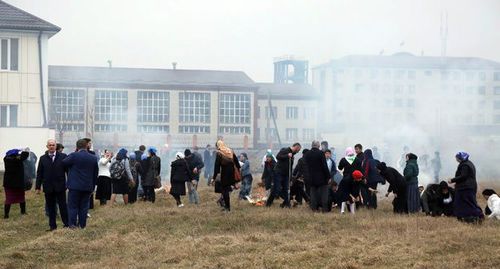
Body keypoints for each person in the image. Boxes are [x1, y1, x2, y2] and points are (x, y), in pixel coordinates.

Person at [63, 139, 98, 229]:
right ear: (87, 146)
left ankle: (72, 225)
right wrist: (93, 188)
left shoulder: (74, 156)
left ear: (77, 147)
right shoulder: (93, 158)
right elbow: (95, 174)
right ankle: (82, 225)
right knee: (84, 207)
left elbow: (64, 163)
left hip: (74, 186)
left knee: (73, 206)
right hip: (87, 187)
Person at [35, 139, 69, 230]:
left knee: (63, 206)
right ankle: (52, 226)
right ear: (47, 146)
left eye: (53, 145)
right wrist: (37, 187)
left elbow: (68, 171)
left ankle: (66, 224)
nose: (51, 146)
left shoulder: (63, 156)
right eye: (49, 145)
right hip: (48, 187)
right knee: (51, 207)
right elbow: (39, 173)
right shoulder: (42, 158)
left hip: (60, 186)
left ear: (56, 146)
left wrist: (69, 183)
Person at [448, 152, 483, 223]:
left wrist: (452, 180)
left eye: (457, 157)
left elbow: (463, 176)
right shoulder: (469, 163)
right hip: (467, 187)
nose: (456, 159)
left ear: (460, 158)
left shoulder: (465, 165)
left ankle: (477, 215)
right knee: (469, 202)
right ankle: (470, 216)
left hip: (465, 188)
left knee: (467, 203)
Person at [266, 143, 302, 208]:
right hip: (278, 173)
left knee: (286, 189)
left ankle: (287, 204)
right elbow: (278, 156)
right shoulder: (285, 150)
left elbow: (290, 168)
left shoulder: (293, 155)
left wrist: (290, 178)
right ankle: (269, 203)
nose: (298, 152)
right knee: (277, 188)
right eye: (298, 150)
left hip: (286, 175)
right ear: (296, 147)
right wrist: (287, 155)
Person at [212, 140, 240, 212]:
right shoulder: (230, 151)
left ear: (218, 146)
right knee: (227, 190)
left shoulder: (219, 153)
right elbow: (237, 163)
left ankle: (227, 208)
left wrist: (214, 177)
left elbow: (217, 167)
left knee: (225, 191)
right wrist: (238, 174)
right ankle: (225, 206)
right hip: (232, 173)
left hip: (225, 174)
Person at [304, 141, 331, 212]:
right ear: (318, 146)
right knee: (324, 194)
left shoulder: (307, 154)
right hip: (322, 178)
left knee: (313, 194)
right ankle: (324, 209)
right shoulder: (321, 153)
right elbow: (324, 166)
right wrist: (328, 177)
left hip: (311, 177)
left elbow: (305, 166)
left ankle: (314, 209)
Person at [3, 149, 29, 219]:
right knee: (21, 198)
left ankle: (6, 215)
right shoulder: (17, 160)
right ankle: (23, 212)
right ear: (15, 155)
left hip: (8, 184)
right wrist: (25, 150)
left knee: (8, 199)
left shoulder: (6, 159)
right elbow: (25, 155)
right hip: (18, 183)